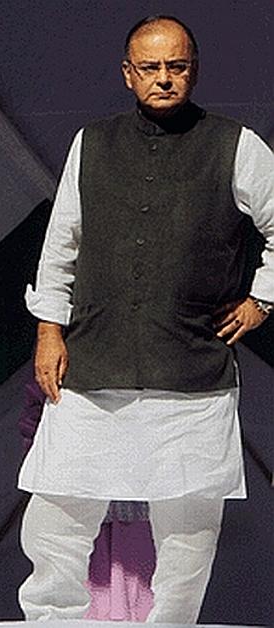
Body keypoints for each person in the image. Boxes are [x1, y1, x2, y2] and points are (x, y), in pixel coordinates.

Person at [18, 15, 274, 624]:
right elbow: (61, 244)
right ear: (128, 74)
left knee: (188, 527)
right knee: (58, 509)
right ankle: (51, 620)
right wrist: (48, 328)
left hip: (191, 367)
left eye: (176, 66)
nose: (164, 79)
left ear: (194, 70)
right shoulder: (92, 142)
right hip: (92, 359)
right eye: (151, 68)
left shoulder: (236, 145)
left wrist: (261, 298)